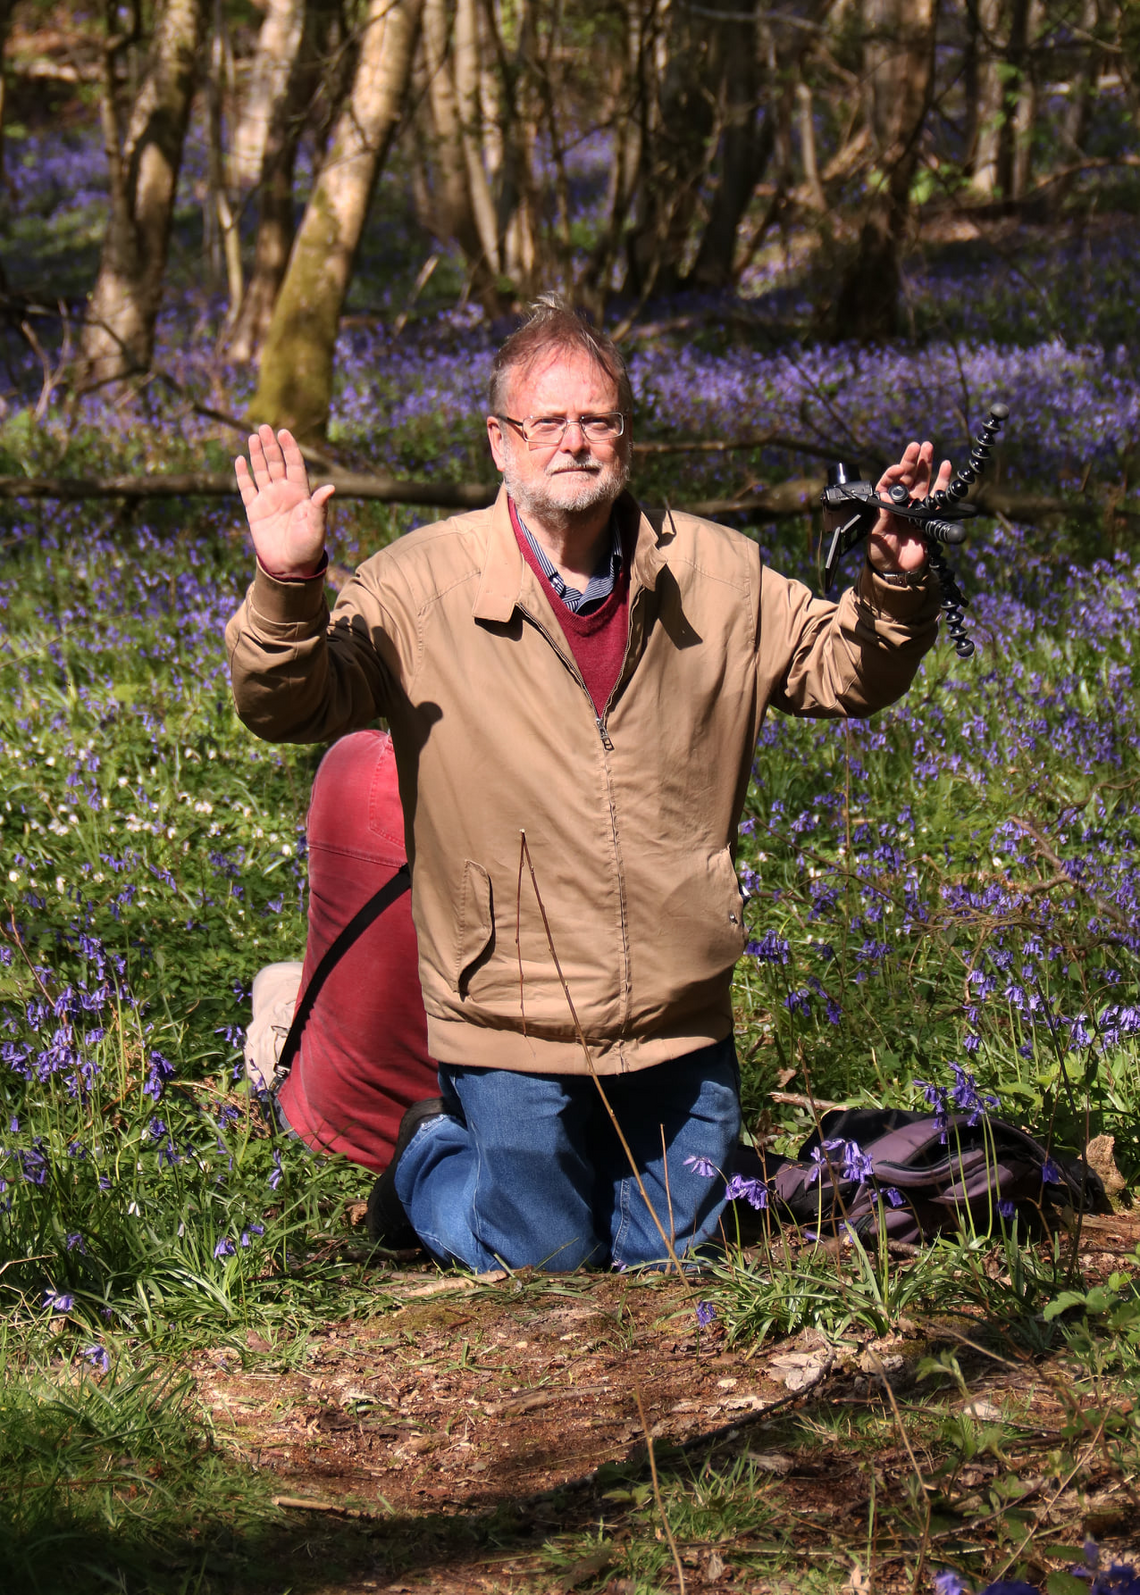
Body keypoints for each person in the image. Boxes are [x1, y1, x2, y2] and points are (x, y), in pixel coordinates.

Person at [225, 295, 946, 1272]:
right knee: (547, 1256)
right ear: (499, 442)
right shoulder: (417, 585)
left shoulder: (718, 575)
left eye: (597, 419)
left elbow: (843, 671)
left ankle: (565, 1170)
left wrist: (894, 585)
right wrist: (286, 585)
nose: (574, 442)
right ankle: (429, 1155)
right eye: (547, 422)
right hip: (508, 1005)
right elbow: (288, 703)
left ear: (626, 437)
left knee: (667, 1254)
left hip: (674, 993)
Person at [243, 728, 437, 1175]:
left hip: (327, 1131)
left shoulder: (350, 762)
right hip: (467, 1135)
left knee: (274, 978)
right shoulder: (538, 800)